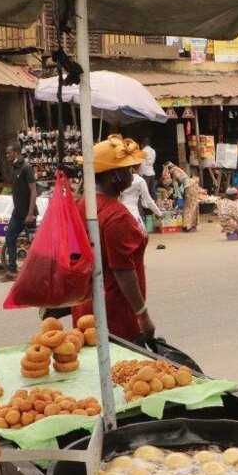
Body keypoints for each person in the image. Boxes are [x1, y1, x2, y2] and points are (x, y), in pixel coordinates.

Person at [72, 135, 156, 343]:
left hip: (85, 306)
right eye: (127, 170)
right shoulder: (116, 216)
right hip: (115, 310)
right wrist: (142, 314)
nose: (131, 174)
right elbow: (123, 271)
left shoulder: (83, 204)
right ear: (113, 176)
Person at [0, 143, 36, 282]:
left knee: (33, 244)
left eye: (8, 153)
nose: (7, 156)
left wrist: (30, 213)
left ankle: (34, 272)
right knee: (10, 238)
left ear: (15, 152)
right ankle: (12, 270)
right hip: (17, 213)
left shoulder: (26, 168)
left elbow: (33, 190)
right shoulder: (14, 168)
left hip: (28, 213)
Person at [118, 164, 162, 232]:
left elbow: (118, 196)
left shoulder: (122, 179)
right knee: (140, 234)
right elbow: (148, 200)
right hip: (133, 212)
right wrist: (159, 213)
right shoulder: (140, 180)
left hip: (120, 210)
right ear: (138, 168)